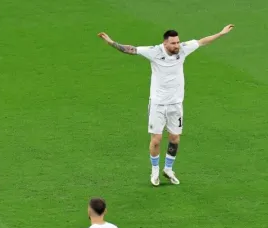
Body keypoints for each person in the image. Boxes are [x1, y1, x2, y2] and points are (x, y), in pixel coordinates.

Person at [97, 25, 235, 186]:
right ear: (165, 44)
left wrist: (221, 33)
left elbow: (202, 42)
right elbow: (131, 50)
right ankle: (155, 171)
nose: (177, 46)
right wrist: (111, 42)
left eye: (178, 42)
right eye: (173, 43)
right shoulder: (154, 51)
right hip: (158, 104)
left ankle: (168, 169)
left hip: (176, 104)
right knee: (156, 139)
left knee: (175, 138)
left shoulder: (183, 50)